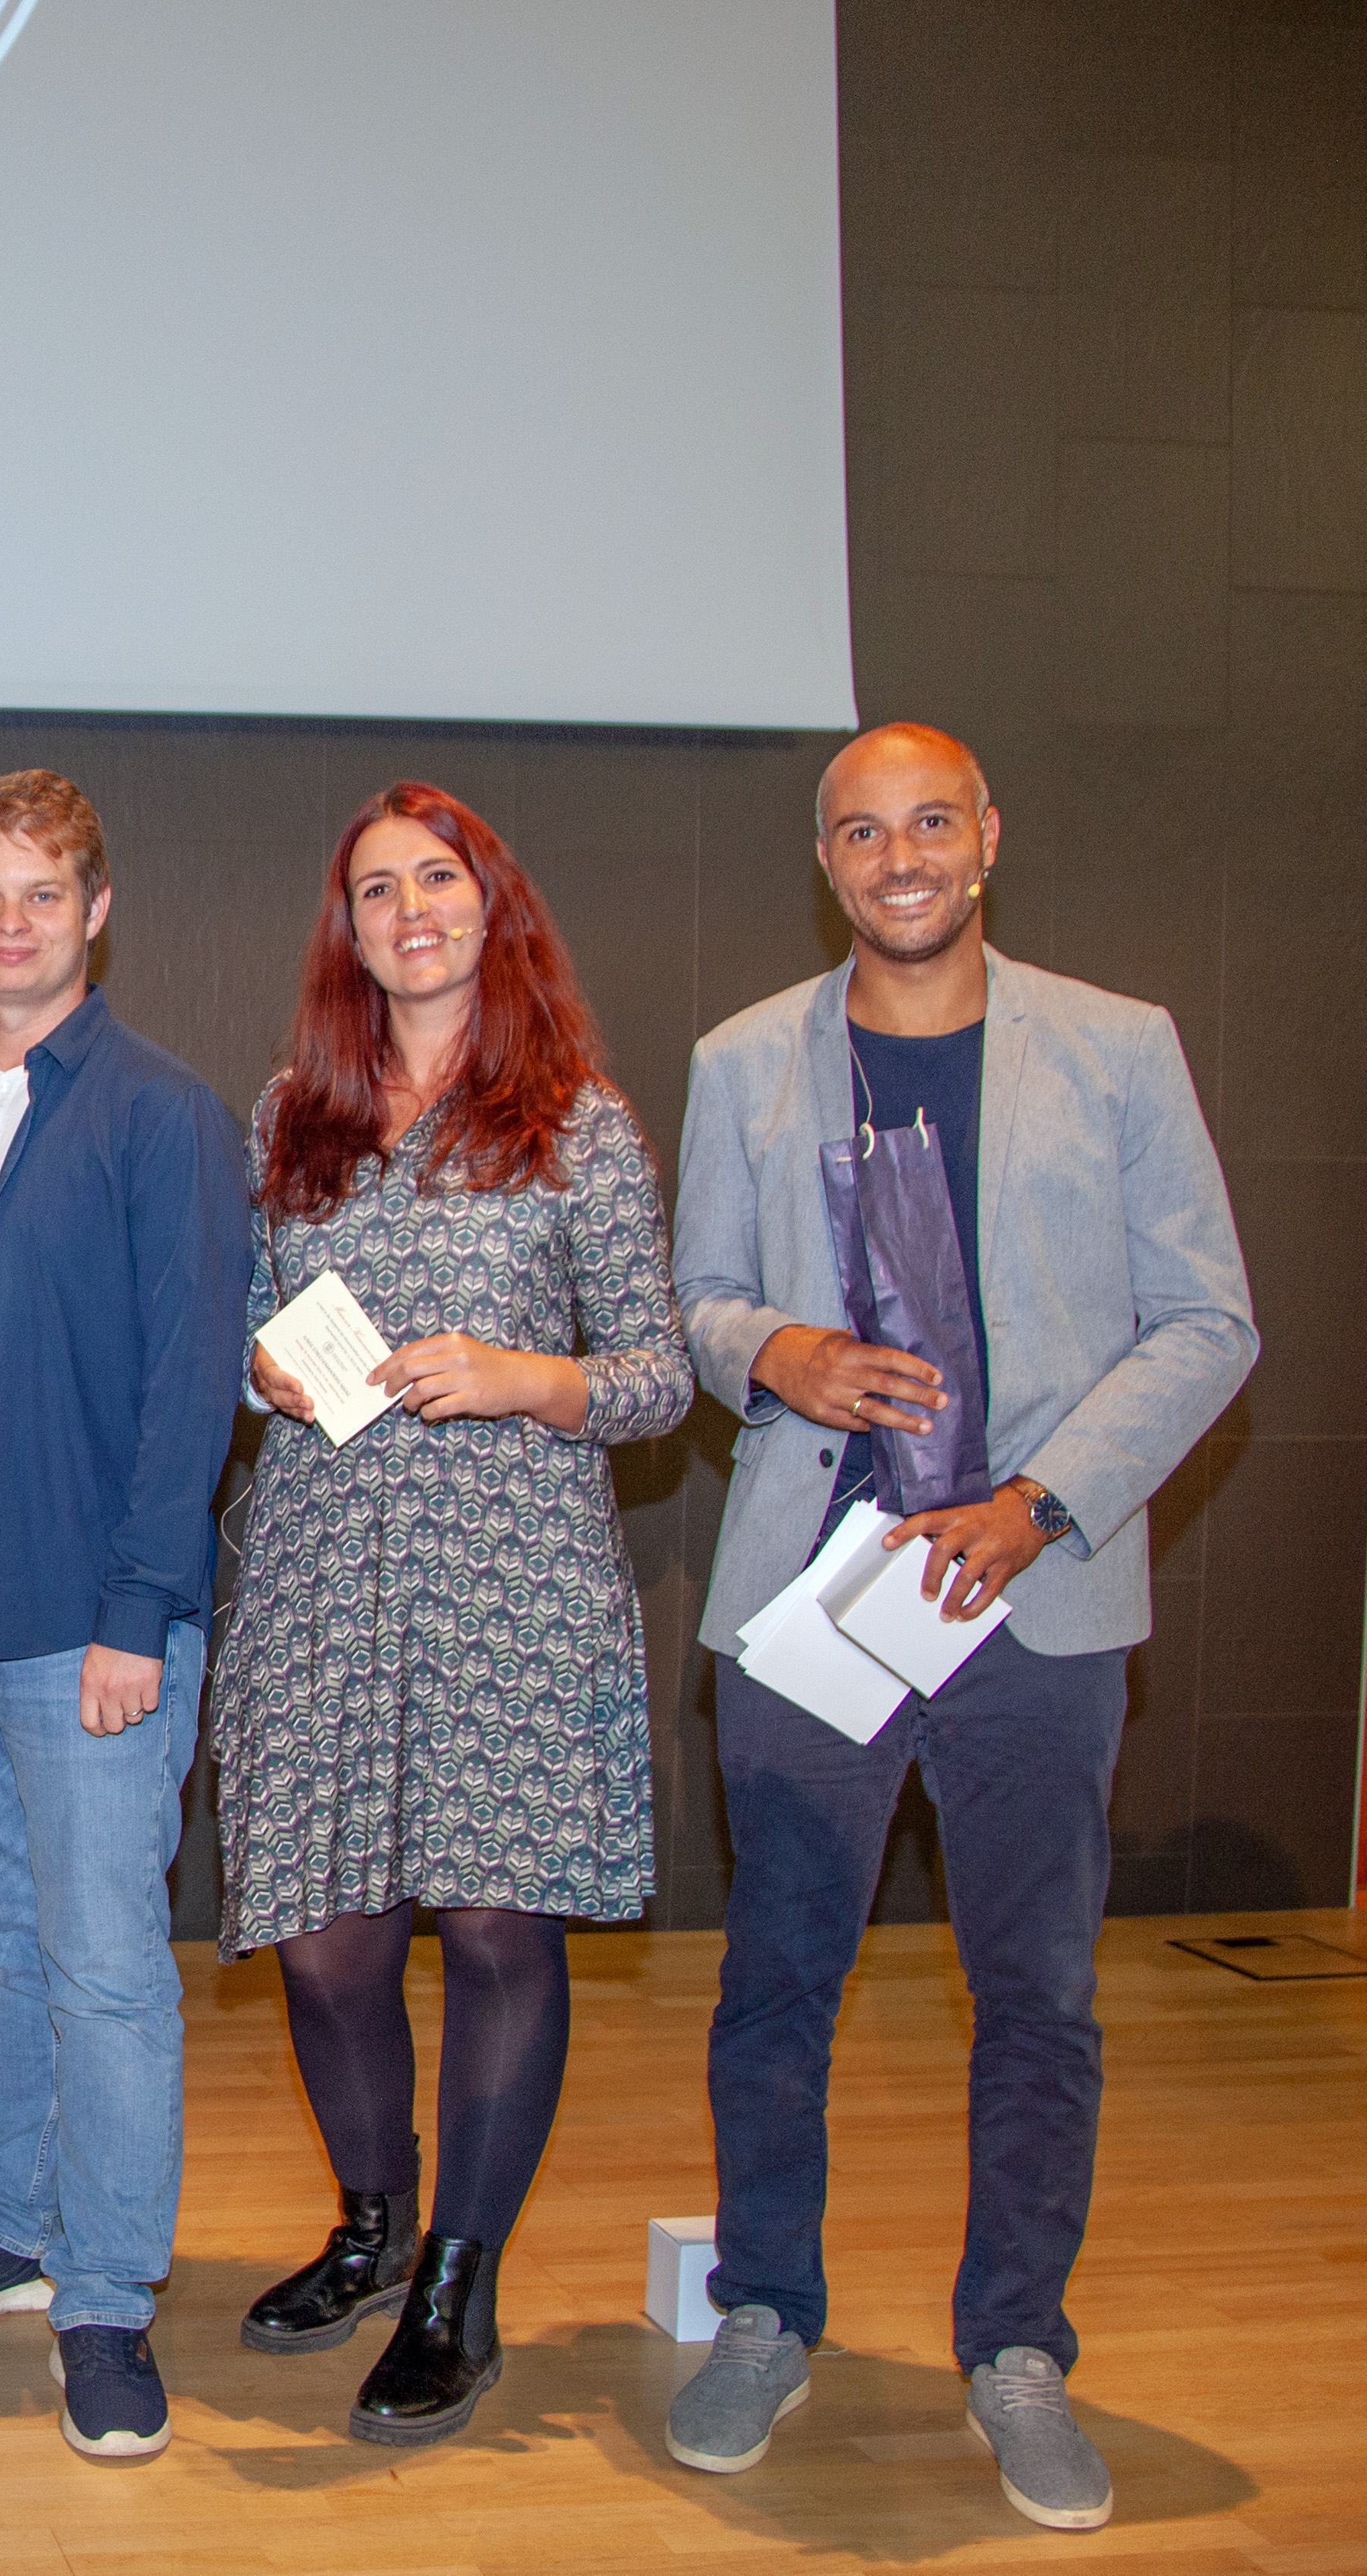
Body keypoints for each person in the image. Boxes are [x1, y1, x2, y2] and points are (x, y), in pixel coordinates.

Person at [666, 723, 1254, 2532]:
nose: (899, 854)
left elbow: (1208, 1322)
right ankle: (766, 2311)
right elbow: (693, 1297)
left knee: (1039, 1996)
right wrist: (777, 1351)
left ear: (987, 837)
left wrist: (1037, 1503)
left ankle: (1016, 2348)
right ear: (823, 858)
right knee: (777, 1985)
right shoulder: (745, 1059)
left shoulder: (1120, 1046)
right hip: (815, 1597)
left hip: (1036, 1598)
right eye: (863, 830)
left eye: (931, 821)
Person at [214, 783, 692, 2444]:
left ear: (493, 904)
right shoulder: (295, 1110)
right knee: (329, 1937)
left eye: (438, 879)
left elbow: (657, 1375)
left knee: (498, 1925)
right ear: (343, 930)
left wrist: (521, 1376)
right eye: (373, 889)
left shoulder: (581, 1119)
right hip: (322, 1568)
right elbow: (246, 1329)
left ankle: (457, 2287)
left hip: (515, 1578)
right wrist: (262, 1366)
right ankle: (371, 2223)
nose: (408, 909)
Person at [0, 770, 255, 2461]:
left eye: (44, 893)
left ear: (96, 910)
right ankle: (15, 2230)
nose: (10, 922)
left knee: (105, 1972)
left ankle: (107, 2297)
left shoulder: (161, 1112)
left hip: (86, 1621)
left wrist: (137, 1611)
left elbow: (192, 1386)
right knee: (1, 1948)